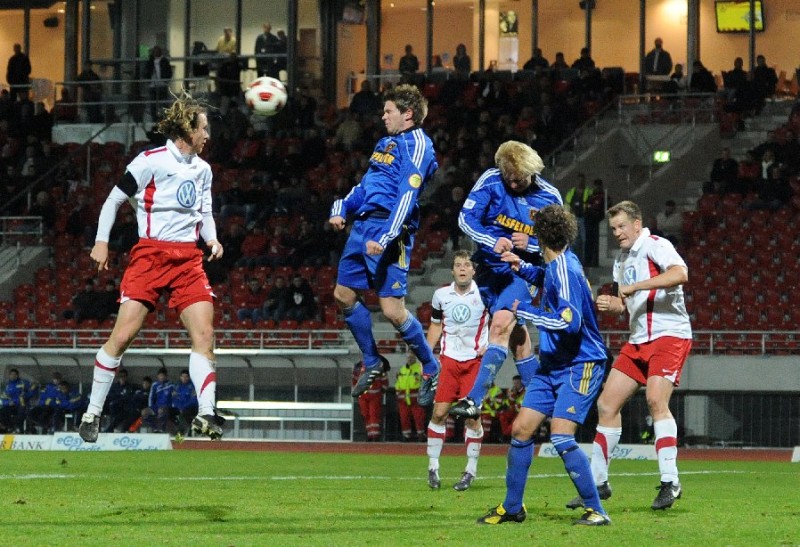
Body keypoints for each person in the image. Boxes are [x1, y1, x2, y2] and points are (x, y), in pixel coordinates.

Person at [77, 91, 225, 444]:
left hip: (188, 259)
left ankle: (206, 413)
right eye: (204, 128)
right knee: (122, 337)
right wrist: (101, 241)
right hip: (150, 256)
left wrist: (212, 239)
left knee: (205, 335)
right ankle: (92, 413)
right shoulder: (150, 161)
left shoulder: (203, 170)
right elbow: (114, 199)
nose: (207, 135)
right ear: (187, 130)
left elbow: (204, 211)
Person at [477, 204, 610, 526]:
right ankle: (512, 507)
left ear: (540, 236)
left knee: (561, 435)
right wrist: (522, 267)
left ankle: (597, 511)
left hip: (580, 363)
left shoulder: (564, 269)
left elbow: (569, 322)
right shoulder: (558, 263)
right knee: (521, 430)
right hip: (553, 364)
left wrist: (526, 311)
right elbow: (548, 281)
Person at [567, 200, 691, 512]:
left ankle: (670, 481)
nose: (617, 233)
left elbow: (680, 273)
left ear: (637, 224)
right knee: (606, 405)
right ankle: (598, 483)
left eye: (622, 226)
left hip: (669, 335)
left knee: (655, 400)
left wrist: (636, 286)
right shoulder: (621, 260)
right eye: (613, 229)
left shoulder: (655, 245)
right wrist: (614, 306)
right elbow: (626, 304)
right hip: (638, 341)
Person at [328, 83, 440, 407]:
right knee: (342, 294)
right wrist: (342, 207)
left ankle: (431, 368)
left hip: (390, 230)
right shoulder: (385, 143)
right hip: (363, 227)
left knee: (392, 310)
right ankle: (373, 361)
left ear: (408, 114)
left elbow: (408, 195)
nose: (383, 116)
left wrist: (386, 236)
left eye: (389, 111)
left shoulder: (419, 145)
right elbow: (367, 184)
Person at [449, 140, 562, 420]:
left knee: (499, 325)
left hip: (523, 273)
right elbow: (465, 219)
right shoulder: (491, 180)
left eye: (518, 180)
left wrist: (532, 244)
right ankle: (543, 402)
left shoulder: (550, 197)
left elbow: (561, 245)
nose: (512, 184)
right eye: (508, 179)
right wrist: (492, 240)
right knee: (518, 340)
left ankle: (474, 400)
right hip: (488, 269)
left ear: (531, 172)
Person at [425, 250, 489, 490]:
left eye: (467, 265)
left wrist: (491, 345)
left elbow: (501, 322)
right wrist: (426, 358)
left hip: (475, 362)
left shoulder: (485, 294)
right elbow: (435, 326)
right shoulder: (440, 295)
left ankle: (470, 471)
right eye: (458, 265)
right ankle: (433, 468)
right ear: (452, 271)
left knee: (472, 418)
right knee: (439, 414)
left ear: (473, 270)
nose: (463, 268)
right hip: (449, 362)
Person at [353, 361, 388, 441]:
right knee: (365, 414)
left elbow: (384, 380)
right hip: (363, 396)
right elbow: (355, 379)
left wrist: (382, 390)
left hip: (375, 395)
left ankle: (375, 435)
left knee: (373, 415)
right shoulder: (359, 366)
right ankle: (370, 433)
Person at [395, 351, 426, 442]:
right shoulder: (402, 369)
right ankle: (406, 436)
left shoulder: (420, 369)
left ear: (415, 359)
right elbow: (398, 382)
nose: (410, 359)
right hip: (403, 398)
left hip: (416, 398)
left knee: (419, 417)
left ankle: (421, 435)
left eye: (412, 358)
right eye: (408, 358)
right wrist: (397, 392)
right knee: (404, 418)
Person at [564, 173, 590, 263]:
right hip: (573, 219)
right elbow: (567, 204)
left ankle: (584, 260)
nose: (580, 182)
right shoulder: (571, 192)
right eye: (579, 180)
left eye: (582, 180)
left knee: (584, 240)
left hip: (584, 219)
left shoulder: (588, 191)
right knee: (573, 239)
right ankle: (573, 259)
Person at [144, 46, 172, 122]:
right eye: (154, 51)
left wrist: (165, 80)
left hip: (162, 84)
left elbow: (169, 71)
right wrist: (148, 80)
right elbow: (146, 71)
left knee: (164, 103)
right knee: (153, 104)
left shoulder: (164, 61)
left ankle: (166, 118)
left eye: (157, 51)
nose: (155, 53)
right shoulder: (150, 61)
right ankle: (154, 118)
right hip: (153, 85)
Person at [498, 375, 524, 443]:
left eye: (517, 383)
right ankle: (506, 434)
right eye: (514, 383)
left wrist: (513, 406)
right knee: (503, 415)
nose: (515, 385)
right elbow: (509, 403)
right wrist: (513, 394)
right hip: (514, 411)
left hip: (522, 412)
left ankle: (505, 435)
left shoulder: (525, 392)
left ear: (521, 383)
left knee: (514, 422)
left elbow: (520, 406)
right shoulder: (512, 391)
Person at [171, 369, 198, 435]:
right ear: (180, 377)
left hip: (191, 407)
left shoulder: (193, 386)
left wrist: (183, 407)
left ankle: (186, 429)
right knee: (168, 411)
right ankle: (178, 426)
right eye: (183, 376)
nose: (184, 378)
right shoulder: (177, 386)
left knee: (186, 412)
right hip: (180, 407)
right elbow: (174, 399)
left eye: (186, 376)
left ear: (189, 377)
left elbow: (193, 400)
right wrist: (179, 407)